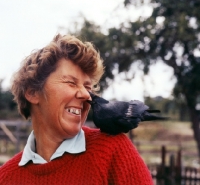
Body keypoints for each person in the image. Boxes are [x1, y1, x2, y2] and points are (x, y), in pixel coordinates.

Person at [0, 34, 153, 185]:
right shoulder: (5, 178)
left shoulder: (114, 151)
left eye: (88, 87)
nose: (86, 94)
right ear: (33, 92)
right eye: (71, 83)